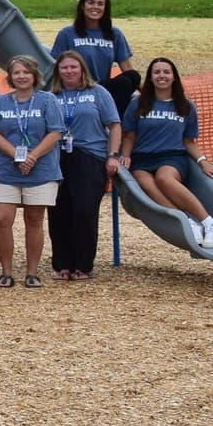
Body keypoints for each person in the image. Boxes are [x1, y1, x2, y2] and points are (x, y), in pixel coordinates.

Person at [121, 57, 213, 249]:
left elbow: (188, 141)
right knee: (146, 184)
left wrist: (203, 161)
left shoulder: (185, 105)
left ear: (174, 77)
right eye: (157, 72)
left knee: (164, 179)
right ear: (150, 78)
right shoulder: (138, 103)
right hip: (142, 159)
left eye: (166, 72)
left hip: (171, 157)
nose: (161, 76)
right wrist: (125, 155)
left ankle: (210, 222)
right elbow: (129, 135)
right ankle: (186, 221)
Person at [0, 56, 64, 289]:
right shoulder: (1, 102)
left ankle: (32, 272)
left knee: (34, 220)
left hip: (41, 170)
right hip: (6, 169)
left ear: (34, 75)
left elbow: (55, 132)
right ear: (10, 76)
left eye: (26, 72)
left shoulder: (47, 100)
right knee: (2, 219)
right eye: (17, 72)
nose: (21, 76)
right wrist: (17, 155)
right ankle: (6, 271)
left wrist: (32, 157)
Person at [49, 52, 122, 280]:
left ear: (82, 69)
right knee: (58, 212)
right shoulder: (51, 96)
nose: (69, 71)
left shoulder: (98, 93)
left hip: (90, 156)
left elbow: (115, 125)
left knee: (84, 211)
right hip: (57, 157)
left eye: (74, 67)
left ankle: (83, 265)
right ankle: (62, 265)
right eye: (64, 67)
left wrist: (113, 155)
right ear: (58, 71)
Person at [53, 0, 139, 110]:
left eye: (100, 4)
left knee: (133, 76)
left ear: (105, 8)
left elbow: (128, 69)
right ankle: (115, 117)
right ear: (82, 6)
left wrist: (150, 94)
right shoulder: (67, 33)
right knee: (123, 84)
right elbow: (55, 66)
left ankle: (113, 114)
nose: (95, 7)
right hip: (81, 86)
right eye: (91, 3)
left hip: (103, 87)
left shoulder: (114, 34)